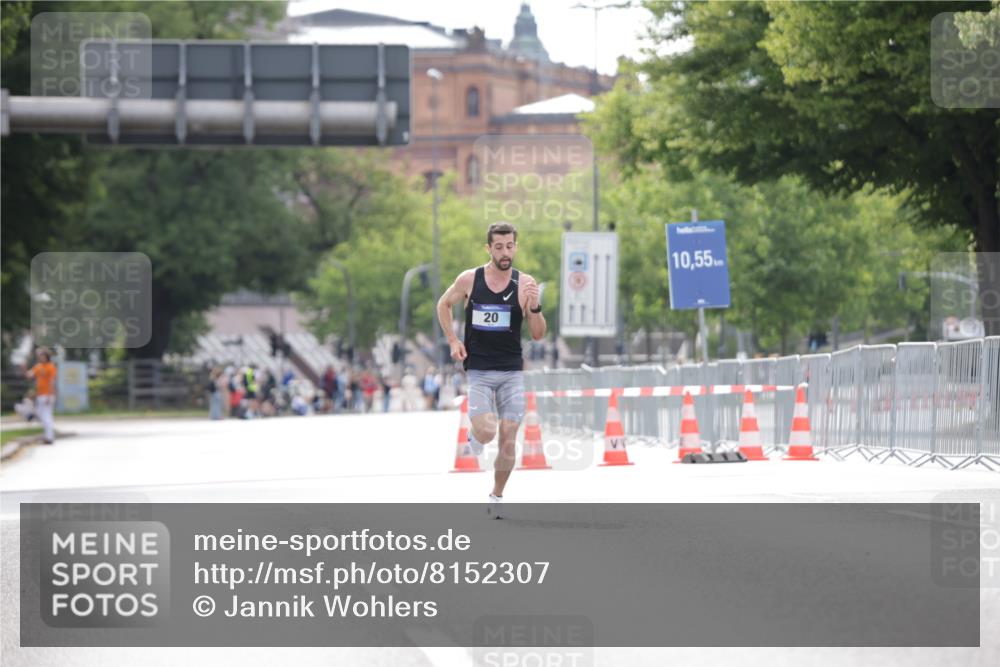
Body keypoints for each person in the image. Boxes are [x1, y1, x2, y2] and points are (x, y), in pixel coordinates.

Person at [437, 222, 546, 518]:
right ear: (489, 249)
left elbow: (538, 334)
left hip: (511, 371)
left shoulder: (524, 284)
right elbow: (443, 304)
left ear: (516, 247)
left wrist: (534, 306)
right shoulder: (470, 279)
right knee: (486, 432)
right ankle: (475, 438)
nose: (505, 252)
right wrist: (452, 340)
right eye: (498, 247)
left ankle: (497, 495)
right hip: (480, 371)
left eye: (509, 246)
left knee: (509, 435)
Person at [24, 347, 57, 444]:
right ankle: (48, 436)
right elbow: (29, 375)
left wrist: (50, 396)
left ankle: (49, 437)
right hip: (40, 394)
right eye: (39, 356)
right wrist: (24, 367)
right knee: (41, 414)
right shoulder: (38, 366)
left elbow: (52, 382)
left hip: (47, 395)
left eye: (42, 355)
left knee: (46, 416)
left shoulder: (51, 367)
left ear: (47, 356)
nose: (41, 358)